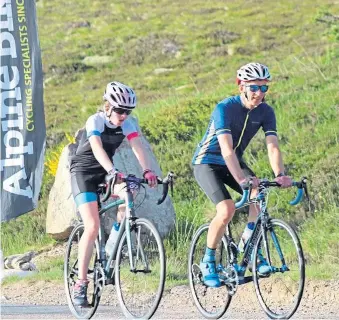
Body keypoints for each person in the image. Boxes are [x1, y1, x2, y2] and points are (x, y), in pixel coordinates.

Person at [191, 62, 293, 288]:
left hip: (233, 162)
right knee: (226, 209)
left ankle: (250, 249)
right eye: (254, 88)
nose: (259, 93)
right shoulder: (224, 108)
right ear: (241, 87)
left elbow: (272, 146)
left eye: (264, 88)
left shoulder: (266, 111)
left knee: (259, 195)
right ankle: (208, 259)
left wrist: (280, 174)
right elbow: (226, 150)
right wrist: (241, 179)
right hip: (207, 162)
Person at [69, 81, 158, 307]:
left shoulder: (127, 124)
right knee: (92, 225)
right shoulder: (95, 121)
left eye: (128, 111)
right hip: (83, 174)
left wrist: (148, 171)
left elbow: (138, 147)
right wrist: (112, 170)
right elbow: (97, 148)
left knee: (130, 192)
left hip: (106, 171)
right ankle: (81, 282)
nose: (124, 115)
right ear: (108, 106)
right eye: (120, 110)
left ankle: (110, 249)